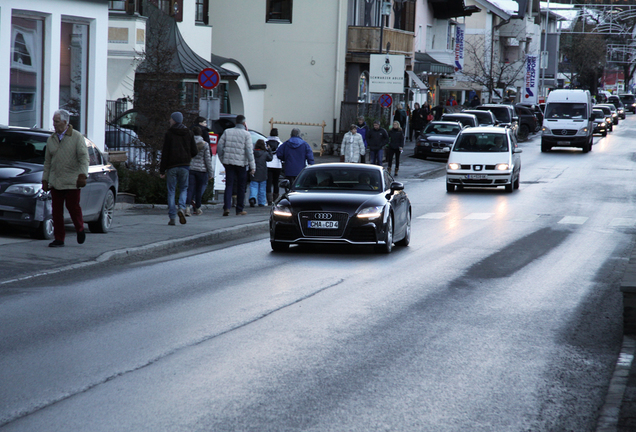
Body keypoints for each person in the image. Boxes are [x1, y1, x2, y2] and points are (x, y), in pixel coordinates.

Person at [41, 109, 89, 247]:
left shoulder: (76, 137)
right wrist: (45, 179)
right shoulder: (51, 139)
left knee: (73, 207)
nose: (54, 124)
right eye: (53, 121)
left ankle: (80, 228)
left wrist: (82, 175)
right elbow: (48, 162)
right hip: (56, 181)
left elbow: (83, 158)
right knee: (56, 211)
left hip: (72, 181)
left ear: (65, 122)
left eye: (57, 121)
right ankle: (59, 238)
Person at [159, 111, 198, 225]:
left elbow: (165, 153)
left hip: (172, 166)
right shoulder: (189, 133)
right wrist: (187, 156)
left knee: (171, 191)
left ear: (174, 120)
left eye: (171, 119)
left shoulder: (169, 133)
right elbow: (194, 151)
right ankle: (181, 207)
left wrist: (162, 170)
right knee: (184, 188)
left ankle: (172, 217)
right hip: (185, 166)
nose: (169, 121)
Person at [217, 115, 255, 216]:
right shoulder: (246, 134)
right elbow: (249, 151)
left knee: (229, 185)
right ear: (244, 123)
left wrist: (222, 159)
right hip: (241, 164)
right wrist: (252, 166)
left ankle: (227, 207)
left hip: (228, 163)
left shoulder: (227, 132)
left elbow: (220, 146)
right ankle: (239, 209)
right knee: (241, 186)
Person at [185, 126, 214, 216]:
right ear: (201, 133)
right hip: (202, 170)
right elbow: (207, 160)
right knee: (198, 190)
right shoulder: (205, 144)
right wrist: (210, 173)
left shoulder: (189, 142)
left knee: (190, 189)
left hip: (191, 168)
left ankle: (187, 208)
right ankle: (197, 208)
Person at [249, 139, 273, 207]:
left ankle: (252, 198)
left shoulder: (253, 153)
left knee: (254, 186)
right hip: (263, 173)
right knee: (262, 188)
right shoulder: (265, 153)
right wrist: (269, 150)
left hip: (254, 172)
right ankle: (261, 202)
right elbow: (270, 158)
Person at [266, 128, 283, 205]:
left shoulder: (265, 141)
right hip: (277, 165)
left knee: (268, 182)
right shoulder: (280, 143)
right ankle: (275, 199)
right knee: (276, 182)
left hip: (268, 164)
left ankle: (269, 200)